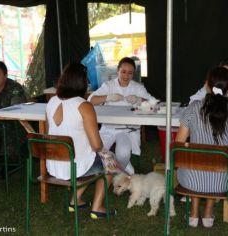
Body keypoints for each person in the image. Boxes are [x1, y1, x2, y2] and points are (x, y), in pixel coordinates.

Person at [175, 66, 228, 228]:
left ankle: (193, 213)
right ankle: (207, 214)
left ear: (207, 84)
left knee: (199, 164)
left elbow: (178, 145)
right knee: (216, 164)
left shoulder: (192, 108)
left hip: (190, 180)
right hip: (225, 181)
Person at [46, 63, 116, 219]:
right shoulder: (84, 106)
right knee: (110, 161)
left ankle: (75, 201)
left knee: (88, 159)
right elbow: (97, 145)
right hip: (75, 167)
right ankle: (97, 208)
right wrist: (106, 154)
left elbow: (50, 133)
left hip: (54, 165)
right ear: (82, 83)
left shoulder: (51, 102)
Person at [88, 57, 156, 174]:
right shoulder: (108, 85)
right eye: (123, 72)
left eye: (130, 73)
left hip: (127, 129)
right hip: (108, 127)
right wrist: (107, 97)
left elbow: (154, 103)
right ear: (117, 71)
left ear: (133, 74)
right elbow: (90, 100)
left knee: (123, 153)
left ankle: (118, 169)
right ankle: (125, 169)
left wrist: (140, 99)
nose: (126, 76)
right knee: (93, 151)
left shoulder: (137, 87)